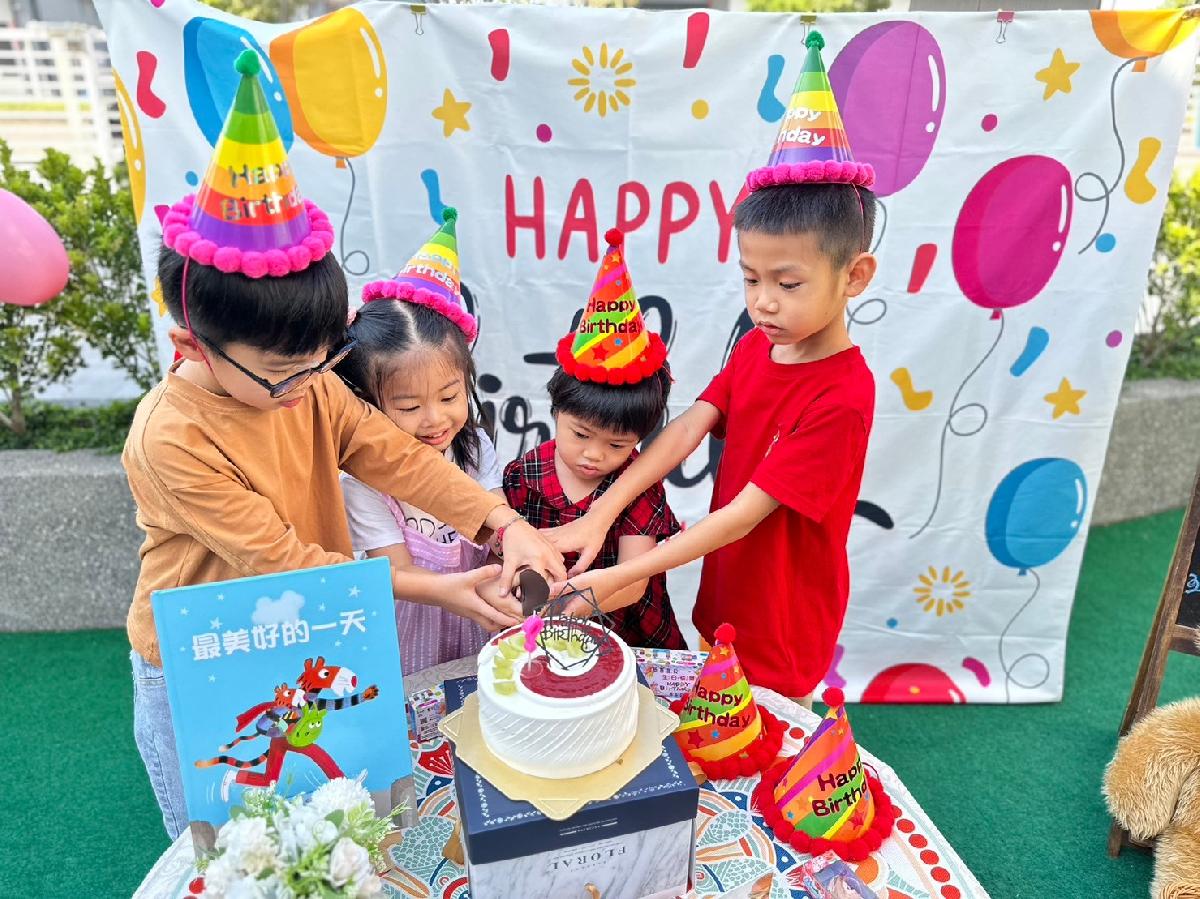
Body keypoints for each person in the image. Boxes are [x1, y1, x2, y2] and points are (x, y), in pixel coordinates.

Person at [124, 53, 562, 838]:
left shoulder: (309, 385)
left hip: (309, 630)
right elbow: (285, 561)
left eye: (321, 361)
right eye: (282, 372)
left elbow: (396, 456)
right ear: (192, 345)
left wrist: (503, 522)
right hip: (205, 653)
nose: (309, 385)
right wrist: (443, 590)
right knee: (226, 844)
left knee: (335, 824)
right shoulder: (172, 437)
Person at [548, 32, 876, 703]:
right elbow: (686, 430)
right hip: (726, 591)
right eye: (751, 277)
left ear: (855, 276)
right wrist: (601, 514)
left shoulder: (843, 395)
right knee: (714, 716)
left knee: (769, 735)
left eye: (787, 283)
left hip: (784, 620)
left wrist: (614, 579)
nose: (763, 301)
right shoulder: (758, 345)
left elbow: (743, 516)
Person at [338, 208, 515, 674]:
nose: (435, 420)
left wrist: (517, 555)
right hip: (410, 631)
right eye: (409, 406)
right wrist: (475, 589)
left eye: (450, 396)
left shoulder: (474, 447)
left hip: (478, 619)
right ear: (367, 404)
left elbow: (493, 524)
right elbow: (395, 572)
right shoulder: (362, 483)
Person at [504, 228, 687, 650]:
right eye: (580, 434)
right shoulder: (523, 475)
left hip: (622, 627)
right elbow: (507, 552)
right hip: (536, 625)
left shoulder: (640, 485)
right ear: (555, 411)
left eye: (617, 445)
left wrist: (567, 608)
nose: (593, 454)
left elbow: (632, 583)